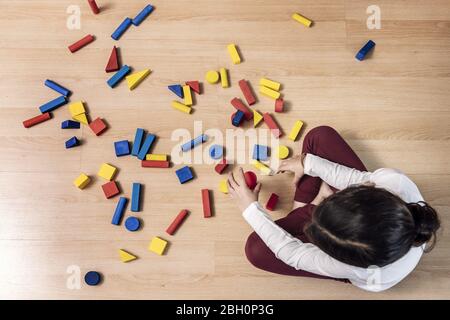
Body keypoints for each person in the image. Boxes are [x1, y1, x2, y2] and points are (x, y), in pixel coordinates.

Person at [227, 126, 440, 292]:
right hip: (363, 225)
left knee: (255, 249)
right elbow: (354, 178)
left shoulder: (358, 269)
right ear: (365, 191)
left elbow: (293, 254)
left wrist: (250, 209)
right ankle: (312, 201)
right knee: (319, 137)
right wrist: (307, 163)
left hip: (358, 266)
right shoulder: (395, 182)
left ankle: (308, 204)